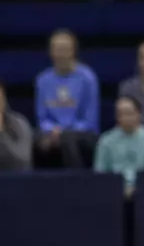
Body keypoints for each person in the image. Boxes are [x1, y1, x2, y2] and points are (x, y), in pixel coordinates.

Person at [33, 29, 99, 168]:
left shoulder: (87, 78)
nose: (61, 55)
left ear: (73, 51)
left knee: (68, 139)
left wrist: (63, 132)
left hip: (83, 134)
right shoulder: (42, 80)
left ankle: (75, 184)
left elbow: (90, 121)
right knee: (33, 140)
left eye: (65, 50)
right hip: (51, 133)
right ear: (51, 52)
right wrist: (53, 131)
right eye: (57, 50)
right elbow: (42, 118)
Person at [94, 95, 144, 192]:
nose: (125, 118)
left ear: (139, 114)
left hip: (143, 191)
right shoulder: (106, 141)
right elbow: (100, 174)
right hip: (112, 191)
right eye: (121, 114)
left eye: (129, 113)